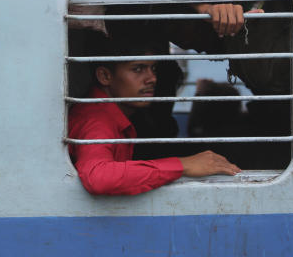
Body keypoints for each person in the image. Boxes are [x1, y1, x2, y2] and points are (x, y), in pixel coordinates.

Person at [68, 35, 241, 195]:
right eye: (138, 69)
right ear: (105, 76)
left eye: (153, 69)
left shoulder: (110, 114)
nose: (152, 79)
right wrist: (184, 165)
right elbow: (99, 177)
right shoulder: (96, 119)